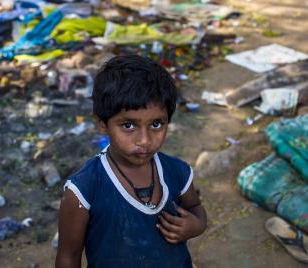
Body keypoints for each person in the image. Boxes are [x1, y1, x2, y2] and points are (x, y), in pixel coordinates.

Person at [56, 54, 207, 268]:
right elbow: (68, 257)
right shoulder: (84, 190)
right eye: (128, 126)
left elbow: (195, 207)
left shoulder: (177, 172)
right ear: (102, 124)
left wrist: (197, 225)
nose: (144, 141)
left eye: (156, 124)